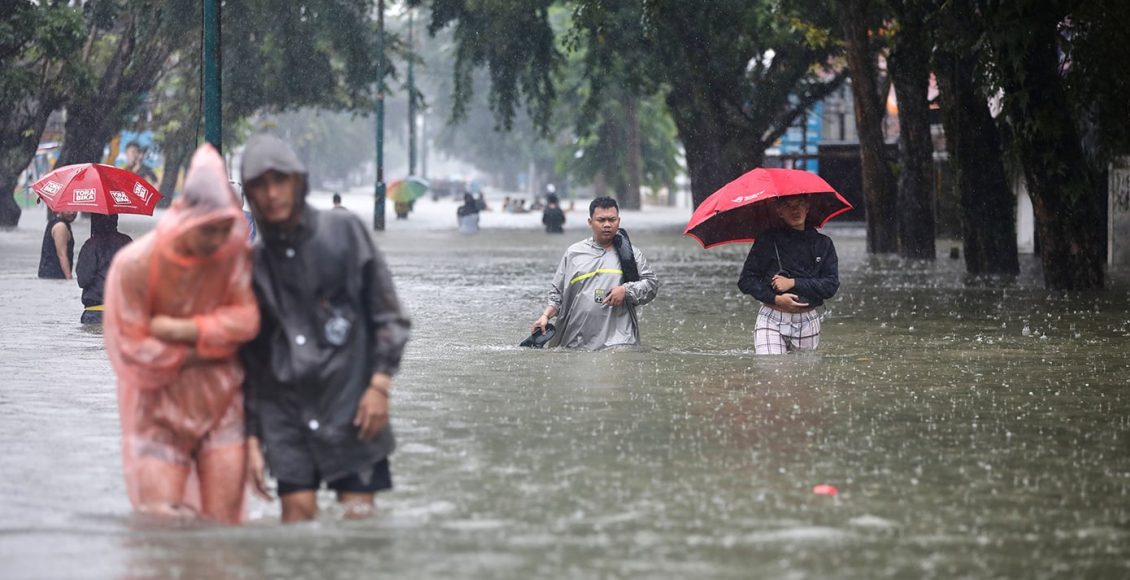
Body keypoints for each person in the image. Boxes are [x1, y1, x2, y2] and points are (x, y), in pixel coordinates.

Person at [238, 134, 411, 523]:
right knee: (296, 521)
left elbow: (389, 316)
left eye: (279, 180)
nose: (271, 193)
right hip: (285, 412)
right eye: (259, 185)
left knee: (359, 521)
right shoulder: (255, 264)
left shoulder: (343, 231)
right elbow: (254, 359)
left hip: (351, 400)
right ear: (249, 195)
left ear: (298, 182)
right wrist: (251, 436)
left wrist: (379, 385)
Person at [102, 144, 259, 523]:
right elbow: (130, 348)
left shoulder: (231, 260)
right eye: (210, 231)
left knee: (224, 526)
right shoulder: (135, 266)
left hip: (221, 408)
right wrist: (208, 348)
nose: (217, 242)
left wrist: (181, 330)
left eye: (226, 230)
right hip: (156, 412)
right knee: (159, 523)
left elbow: (249, 321)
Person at [531, 197, 659, 350]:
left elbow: (651, 284)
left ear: (619, 221)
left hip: (619, 341)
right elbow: (557, 294)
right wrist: (545, 316)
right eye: (601, 220)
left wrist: (626, 290)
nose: (607, 225)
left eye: (612, 220)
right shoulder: (574, 254)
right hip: (577, 341)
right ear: (590, 222)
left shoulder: (631, 255)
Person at [737, 196, 839, 355]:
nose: (795, 210)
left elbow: (830, 286)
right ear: (779, 211)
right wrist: (775, 299)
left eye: (799, 205)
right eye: (788, 206)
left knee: (803, 378)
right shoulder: (767, 240)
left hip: (807, 320)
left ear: (807, 207)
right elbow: (746, 280)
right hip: (771, 318)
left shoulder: (823, 244)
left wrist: (793, 283)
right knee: (772, 370)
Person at [76, 214, 133, 324]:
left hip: (95, 313)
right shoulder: (127, 242)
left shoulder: (90, 245)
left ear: (94, 221)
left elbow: (83, 280)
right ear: (116, 220)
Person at [38, 209, 76, 279]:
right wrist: (69, 277)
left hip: (48, 277)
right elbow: (62, 255)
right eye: (68, 209)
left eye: (75, 209)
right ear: (60, 209)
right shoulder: (61, 226)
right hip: (54, 277)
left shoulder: (55, 222)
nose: (72, 212)